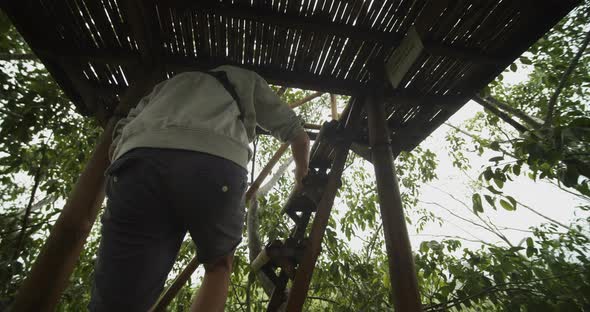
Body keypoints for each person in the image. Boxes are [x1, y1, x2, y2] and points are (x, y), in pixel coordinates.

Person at [89, 65, 310, 312]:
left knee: (121, 292)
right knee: (218, 267)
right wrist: (301, 174)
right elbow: (297, 134)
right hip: (216, 161)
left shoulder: (168, 84)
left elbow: (122, 128)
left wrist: (129, 157)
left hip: (138, 159)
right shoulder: (242, 77)